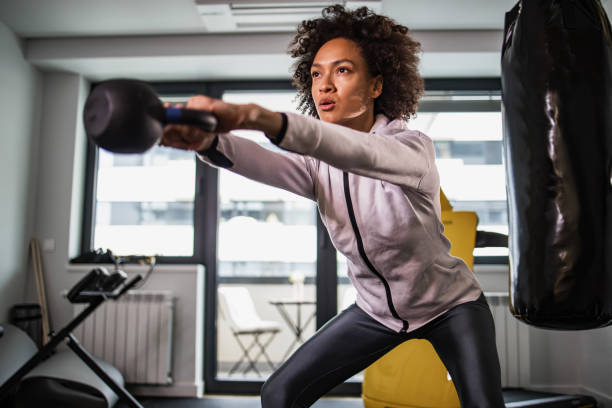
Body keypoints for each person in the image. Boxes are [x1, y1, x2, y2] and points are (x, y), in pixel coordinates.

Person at [162, 5, 505, 408]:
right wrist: (206, 141)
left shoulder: (411, 149)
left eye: (342, 71)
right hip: (375, 314)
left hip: (451, 306)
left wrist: (255, 116)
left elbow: (362, 153)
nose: (324, 86)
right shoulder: (316, 164)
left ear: (377, 86)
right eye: (316, 74)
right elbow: (261, 161)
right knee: (279, 393)